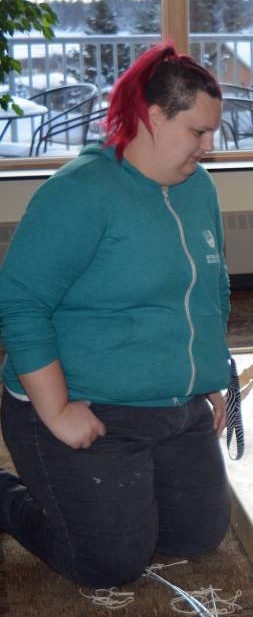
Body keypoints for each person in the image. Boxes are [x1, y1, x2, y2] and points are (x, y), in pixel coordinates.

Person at [0, 43, 231, 588]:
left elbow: (211, 287)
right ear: (153, 117)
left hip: (173, 403)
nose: (209, 146)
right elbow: (20, 303)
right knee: (109, 562)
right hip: (88, 403)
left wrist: (208, 374)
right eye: (199, 131)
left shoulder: (198, 187)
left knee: (196, 535)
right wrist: (57, 410)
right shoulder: (80, 192)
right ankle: (7, 496)